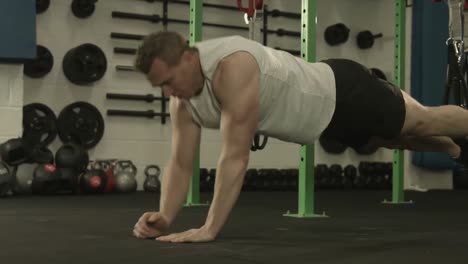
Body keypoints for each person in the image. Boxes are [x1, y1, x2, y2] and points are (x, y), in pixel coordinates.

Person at [131, 31, 468, 243]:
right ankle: (456, 149)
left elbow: (235, 155)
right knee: (394, 140)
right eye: (159, 86)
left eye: (169, 80)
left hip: (342, 92)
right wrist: (165, 216)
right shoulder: (182, 100)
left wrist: (209, 228)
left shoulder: (232, 67)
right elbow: (180, 162)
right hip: (324, 121)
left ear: (191, 57)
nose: (167, 93)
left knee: (421, 122)